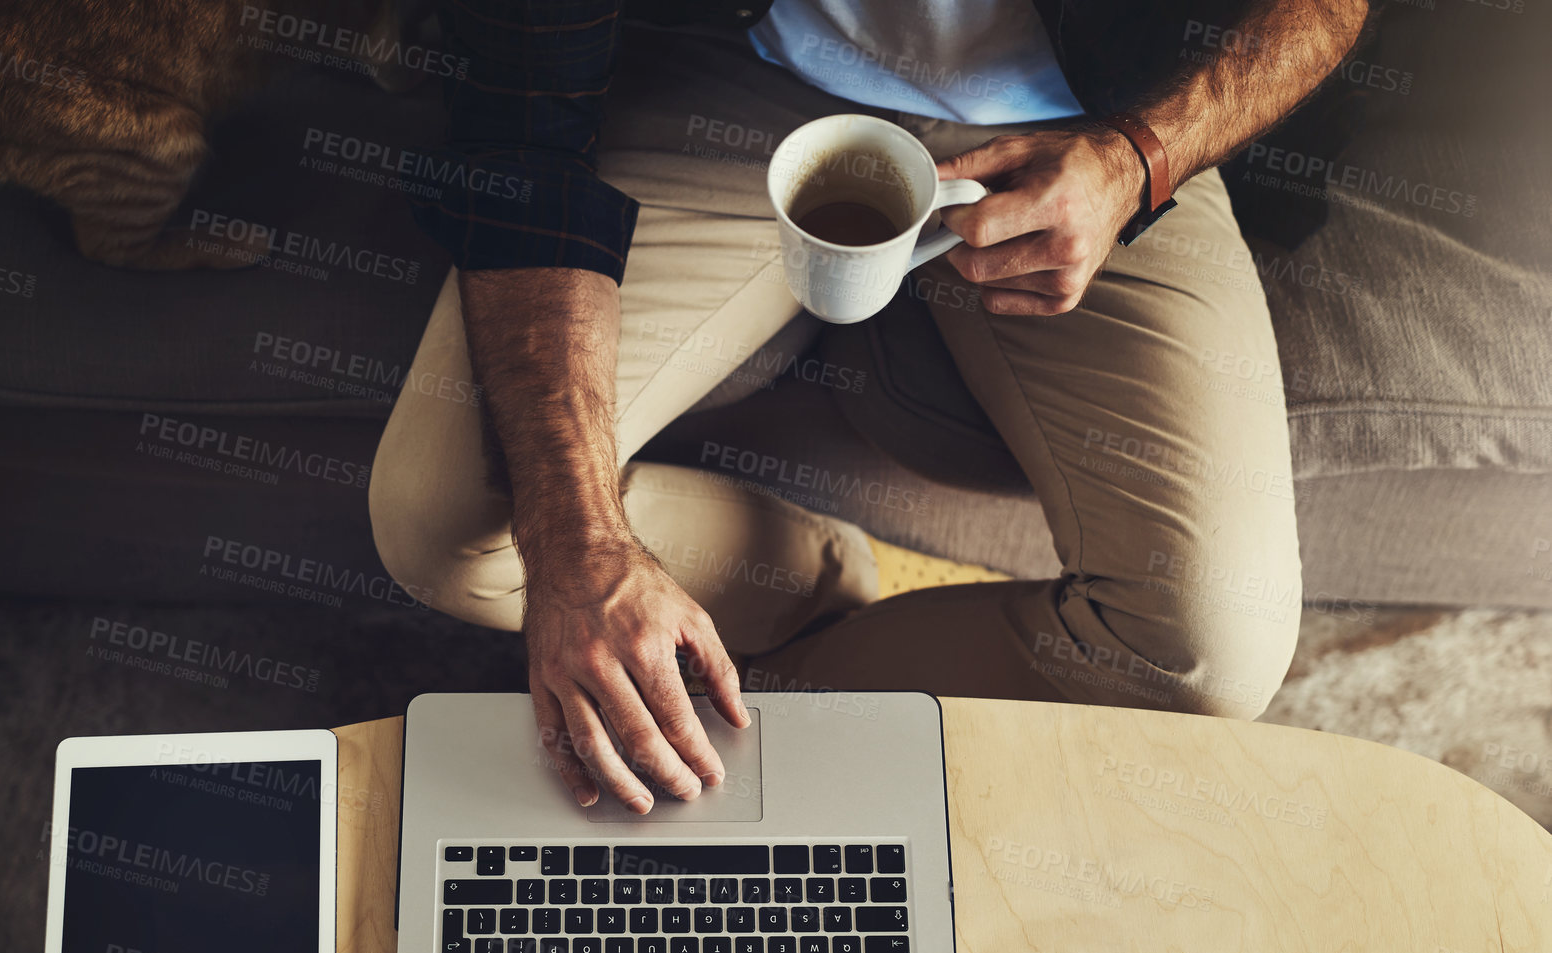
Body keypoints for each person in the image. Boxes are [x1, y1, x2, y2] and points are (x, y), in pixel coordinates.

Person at [369, 0, 1371, 814]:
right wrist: (578, 545)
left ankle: (766, 690)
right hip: (746, 73)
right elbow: (523, 132)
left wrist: (1136, 159)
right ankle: (803, 581)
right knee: (443, 525)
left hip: (1096, 119)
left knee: (1210, 651)